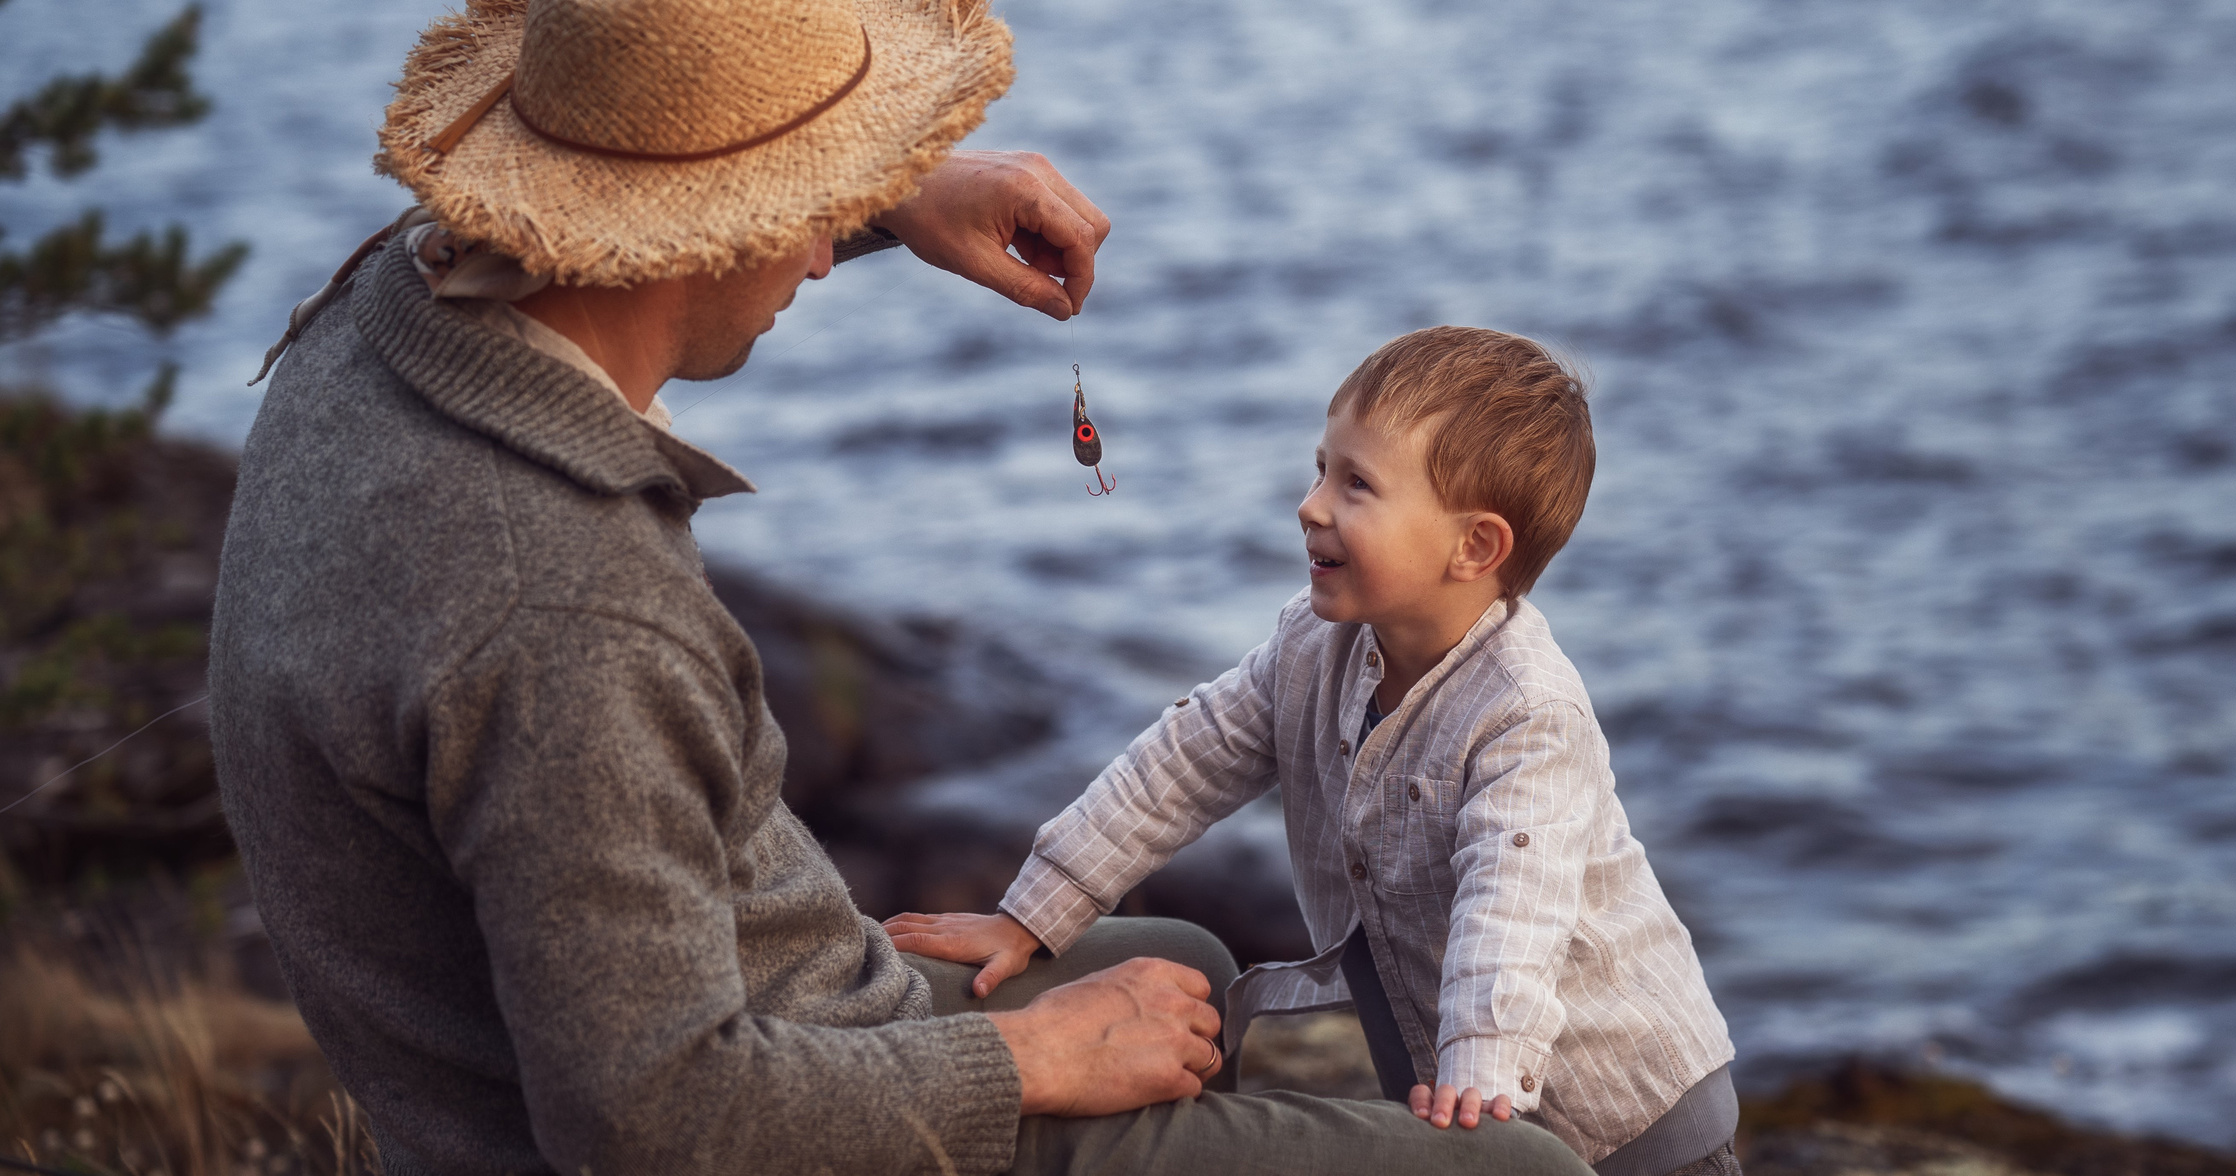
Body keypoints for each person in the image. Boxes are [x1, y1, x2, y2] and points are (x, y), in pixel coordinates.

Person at [210, 0, 1593, 1173]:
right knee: (1526, 1167)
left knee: (1187, 961)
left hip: (711, 1006)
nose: (824, 246)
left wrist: (893, 196)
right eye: (806, 201)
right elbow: (645, 1120)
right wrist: (1025, 1059)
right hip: (742, 1109)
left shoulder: (383, 320)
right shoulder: (564, 610)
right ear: (697, 222)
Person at [891, 327, 1745, 1176]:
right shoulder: (1314, 647)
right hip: (1458, 1091)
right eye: (1321, 468)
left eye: (1357, 484)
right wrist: (1034, 914)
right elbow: (1182, 763)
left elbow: (1511, 909)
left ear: (1474, 547)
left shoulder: (1528, 715)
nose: (1312, 504)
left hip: (1629, 1116)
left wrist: (1481, 1075)